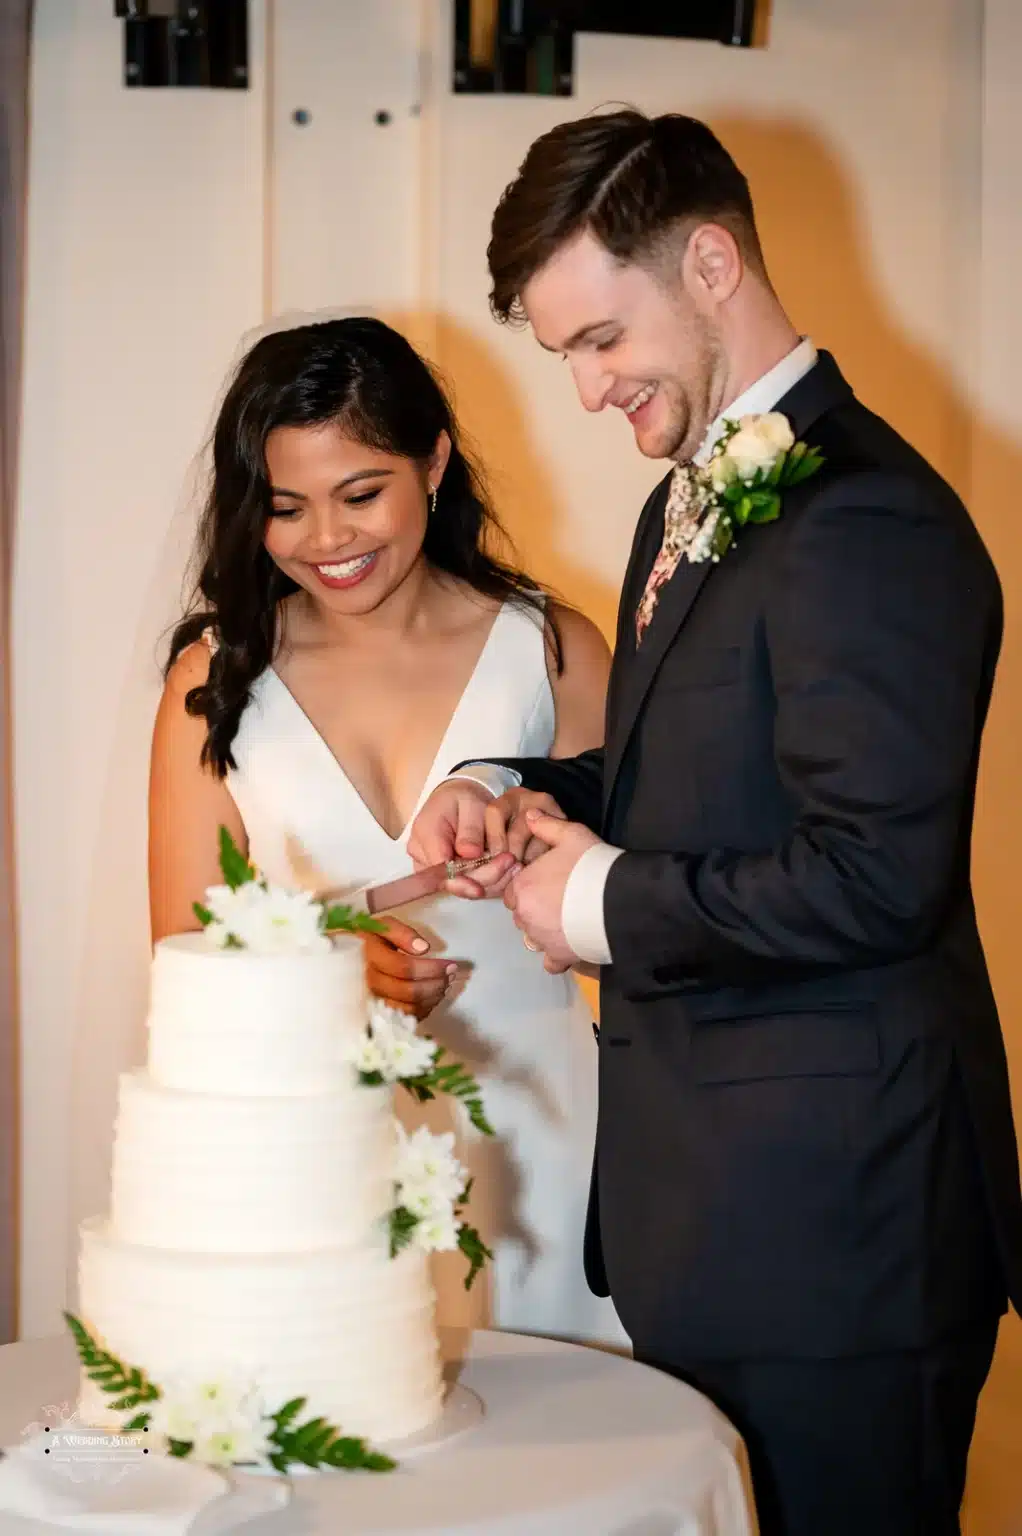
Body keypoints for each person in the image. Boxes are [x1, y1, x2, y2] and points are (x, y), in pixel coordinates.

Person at [408, 110, 1022, 1534]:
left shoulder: (869, 518)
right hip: (725, 1230)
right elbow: (678, 775)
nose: (583, 389)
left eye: (598, 340)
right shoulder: (684, 501)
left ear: (706, 263)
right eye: (562, 352)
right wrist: (513, 797)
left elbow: (875, 877)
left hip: (838, 1243)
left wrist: (600, 908)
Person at [148, 315, 628, 1347]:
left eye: (360, 494)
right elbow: (184, 959)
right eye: (285, 508)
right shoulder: (216, 676)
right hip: (316, 1135)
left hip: (542, 1120)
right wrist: (325, 967)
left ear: (435, 464)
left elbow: (634, 901)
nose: (327, 541)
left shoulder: (552, 649)